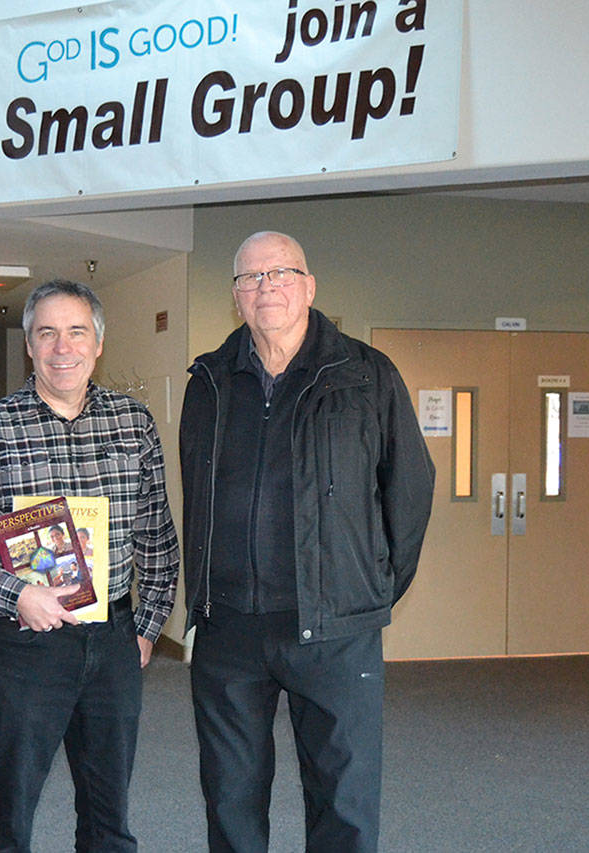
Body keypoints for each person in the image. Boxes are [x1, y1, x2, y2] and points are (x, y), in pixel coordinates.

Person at [179, 231, 435, 852]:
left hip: (335, 628)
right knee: (231, 800)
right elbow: (195, 490)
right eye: (249, 278)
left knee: (342, 800)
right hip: (230, 630)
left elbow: (410, 489)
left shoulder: (365, 375)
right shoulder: (209, 381)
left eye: (280, 273)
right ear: (235, 296)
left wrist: (368, 584)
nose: (265, 287)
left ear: (309, 285)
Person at [0, 279, 180, 853]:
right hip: (26, 645)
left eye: (76, 332)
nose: (63, 348)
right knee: (8, 811)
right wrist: (13, 593)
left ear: (98, 344)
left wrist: (147, 625)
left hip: (113, 639)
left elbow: (157, 533)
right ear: (31, 348)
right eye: (48, 334)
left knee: (109, 813)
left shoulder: (133, 425)